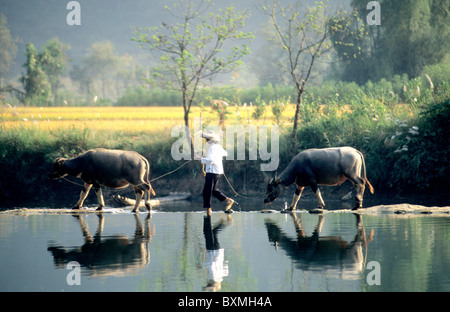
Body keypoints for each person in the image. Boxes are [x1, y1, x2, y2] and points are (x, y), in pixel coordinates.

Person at [199, 130, 234, 215]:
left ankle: (208, 210)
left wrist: (200, 159)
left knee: (207, 191)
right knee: (213, 190)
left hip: (212, 171)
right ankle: (228, 200)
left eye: (207, 138)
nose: (206, 140)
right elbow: (225, 153)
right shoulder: (217, 146)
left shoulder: (211, 148)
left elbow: (210, 160)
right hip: (216, 171)